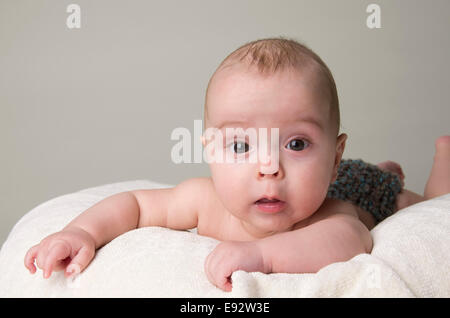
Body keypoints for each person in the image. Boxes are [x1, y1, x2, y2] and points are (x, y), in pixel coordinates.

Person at [24, 38, 450, 292]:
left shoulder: (332, 214)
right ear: (210, 150)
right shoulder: (203, 199)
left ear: (332, 157)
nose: (268, 166)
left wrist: (261, 255)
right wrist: (80, 232)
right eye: (242, 145)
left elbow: (351, 240)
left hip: (359, 187)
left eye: (296, 143)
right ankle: (384, 167)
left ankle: (424, 166)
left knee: (416, 202)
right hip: (340, 175)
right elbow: (135, 204)